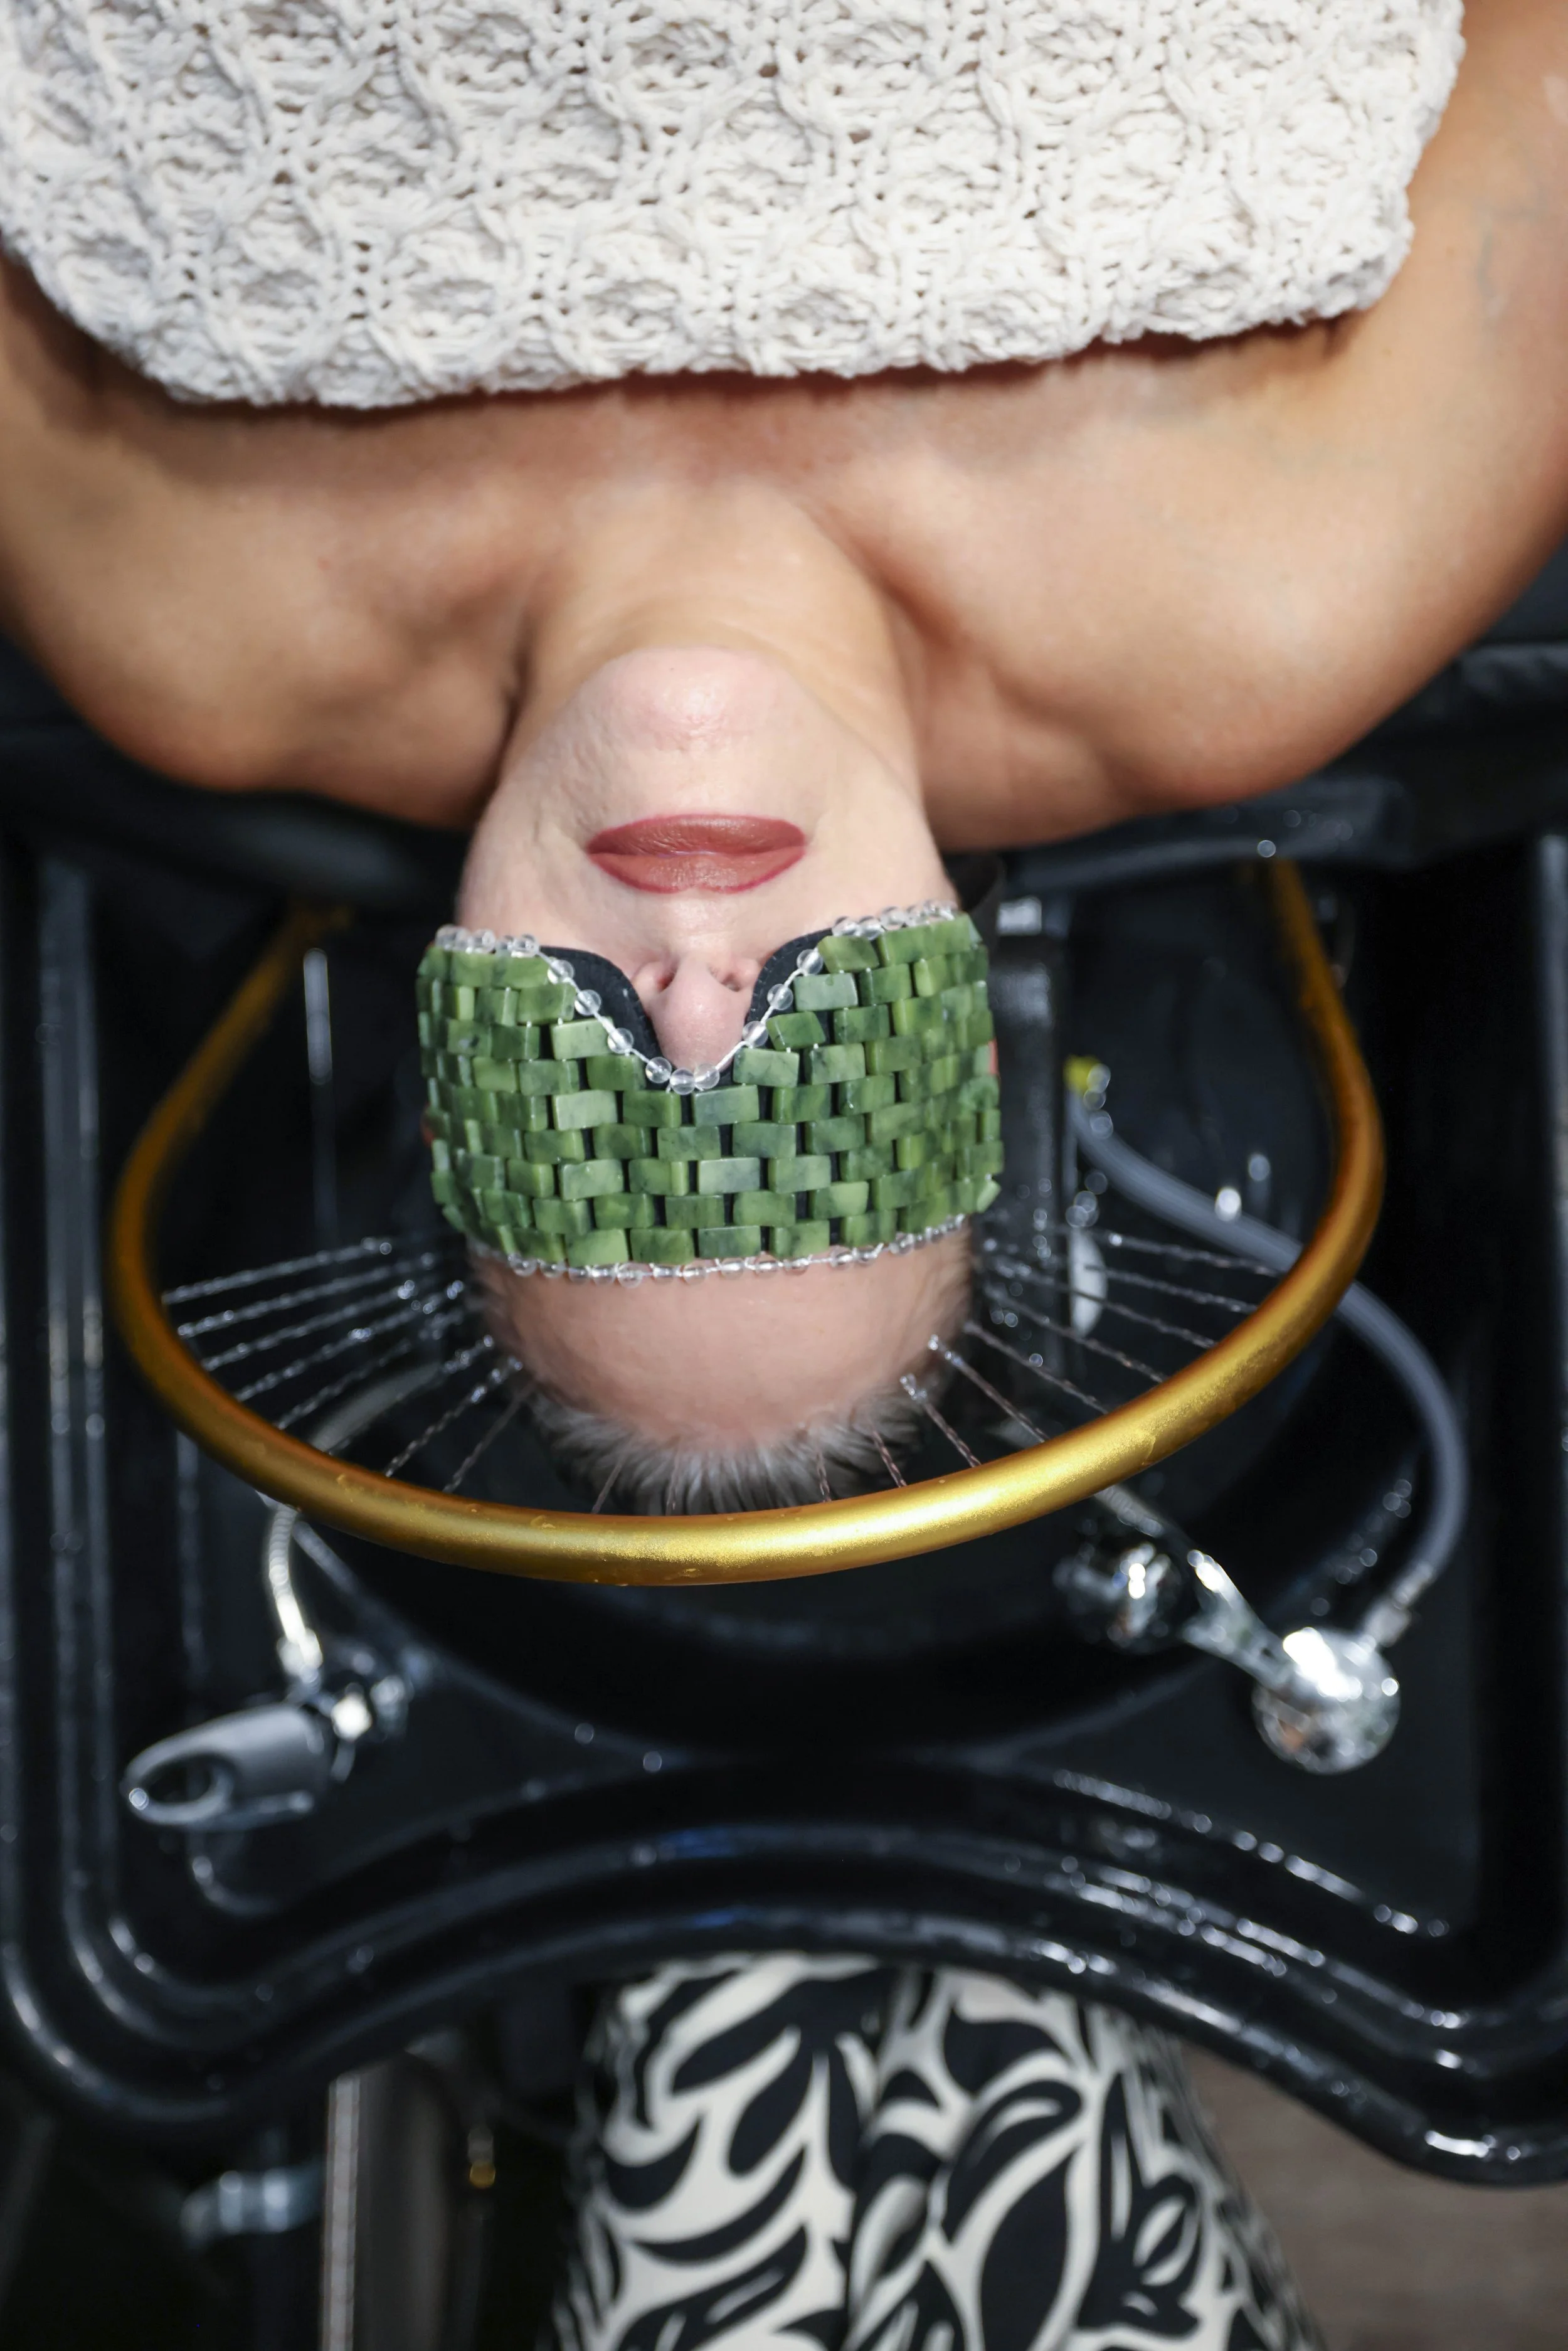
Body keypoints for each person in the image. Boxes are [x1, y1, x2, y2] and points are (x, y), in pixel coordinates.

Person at [2, 3, 1564, 2341]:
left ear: (454, 1056)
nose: (707, 998)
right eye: (815, 1086)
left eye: (604, 1105)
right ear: (955, 977)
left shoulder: (193, 630)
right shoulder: (1260, 607)